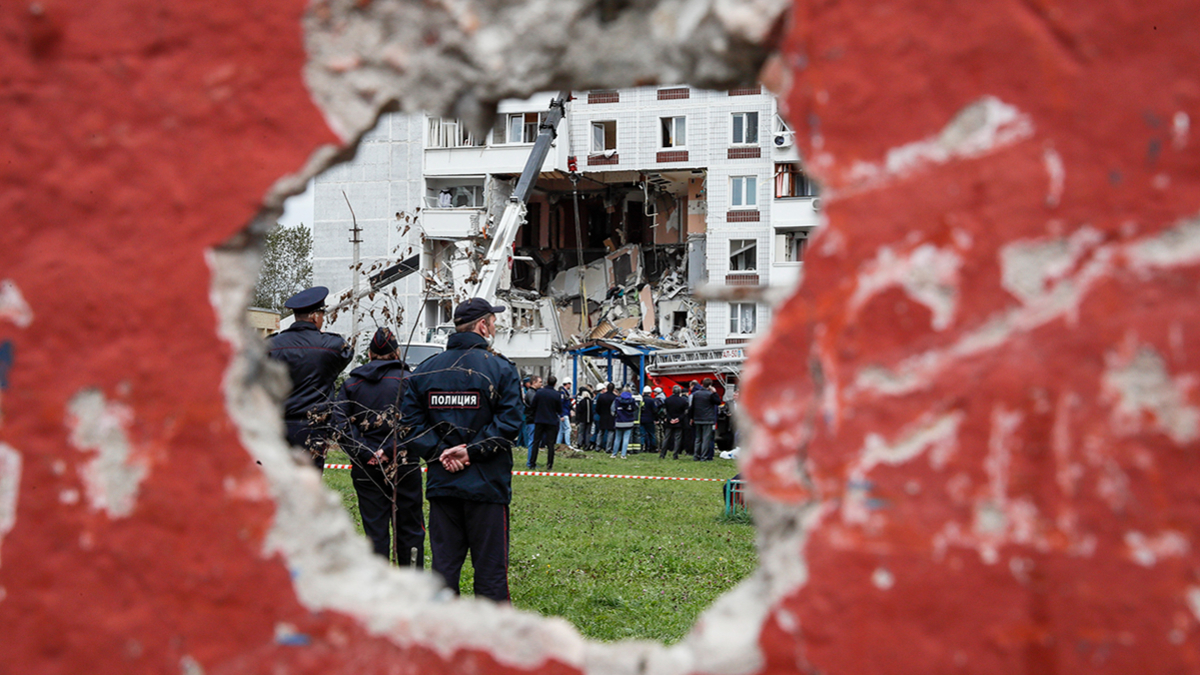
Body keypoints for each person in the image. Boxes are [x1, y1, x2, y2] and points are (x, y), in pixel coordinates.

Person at [400, 298, 523, 603]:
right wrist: (472, 452)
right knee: (491, 571)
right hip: (487, 485)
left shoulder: (424, 371)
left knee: (444, 569)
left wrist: (441, 452)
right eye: (492, 322)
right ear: (483, 325)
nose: (494, 326)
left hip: (443, 485)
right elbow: (510, 423)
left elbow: (409, 425)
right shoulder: (500, 369)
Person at [333, 327, 423, 566]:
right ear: (397, 353)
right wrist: (393, 449)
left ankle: (378, 589)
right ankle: (412, 586)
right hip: (404, 464)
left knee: (375, 532)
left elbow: (340, 424)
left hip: (365, 468)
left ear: (370, 356)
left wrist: (365, 451)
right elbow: (418, 424)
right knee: (410, 529)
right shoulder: (410, 382)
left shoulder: (352, 384)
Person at [266, 286, 353, 472]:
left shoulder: (271, 345)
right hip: (313, 429)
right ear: (314, 316)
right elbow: (347, 353)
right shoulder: (331, 346)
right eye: (322, 314)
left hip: (276, 427)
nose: (323, 319)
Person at [530, 375, 562, 471]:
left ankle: (532, 462)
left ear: (546, 382)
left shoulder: (539, 393)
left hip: (539, 420)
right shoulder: (557, 394)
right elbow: (559, 409)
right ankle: (549, 464)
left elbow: (533, 405)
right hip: (551, 421)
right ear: (555, 383)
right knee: (550, 444)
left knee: (536, 442)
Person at [690, 378, 722, 461]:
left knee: (698, 438)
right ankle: (703, 457)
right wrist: (714, 392)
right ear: (710, 385)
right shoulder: (710, 394)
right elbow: (718, 402)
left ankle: (696, 456)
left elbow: (692, 407)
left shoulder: (696, 394)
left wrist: (691, 417)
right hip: (708, 419)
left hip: (697, 418)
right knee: (706, 439)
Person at [661, 384, 690, 459]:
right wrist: (679, 419)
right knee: (678, 438)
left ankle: (662, 454)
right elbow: (685, 412)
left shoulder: (667, 400)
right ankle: (675, 454)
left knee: (666, 438)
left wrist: (670, 418)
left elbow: (665, 411)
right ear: (680, 392)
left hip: (669, 421)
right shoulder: (683, 401)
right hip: (679, 422)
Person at [611, 386, 638, 459]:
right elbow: (635, 408)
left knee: (617, 438)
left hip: (619, 420)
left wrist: (616, 416)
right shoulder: (632, 400)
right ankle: (623, 454)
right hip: (629, 420)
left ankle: (614, 454)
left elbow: (613, 409)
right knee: (626, 438)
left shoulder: (617, 400)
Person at [595, 382, 618, 455]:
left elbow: (597, 408)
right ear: (613, 389)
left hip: (602, 416)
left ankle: (598, 447)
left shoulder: (601, 396)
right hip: (611, 417)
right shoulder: (615, 397)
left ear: (607, 388)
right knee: (610, 432)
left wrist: (600, 413)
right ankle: (608, 448)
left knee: (601, 432)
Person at [521, 376, 539, 451]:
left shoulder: (530, 391)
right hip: (527, 414)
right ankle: (525, 444)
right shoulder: (527, 392)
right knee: (527, 432)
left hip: (527, 414)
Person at [639, 385, 659, 456]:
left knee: (642, 434)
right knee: (651, 434)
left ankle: (642, 447)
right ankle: (652, 448)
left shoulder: (641, 400)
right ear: (650, 393)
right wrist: (656, 419)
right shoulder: (652, 400)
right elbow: (655, 411)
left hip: (641, 419)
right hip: (650, 420)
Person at [574, 386, 594, 451]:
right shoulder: (591, 402)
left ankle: (579, 444)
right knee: (588, 432)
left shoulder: (581, 402)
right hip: (590, 419)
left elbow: (579, 411)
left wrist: (577, 419)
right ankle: (587, 444)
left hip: (582, 419)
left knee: (581, 432)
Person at [556, 380, 573, 448]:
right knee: (568, 429)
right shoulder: (563, 393)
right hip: (564, 413)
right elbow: (561, 404)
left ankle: (558, 444)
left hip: (564, 413)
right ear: (567, 384)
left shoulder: (563, 392)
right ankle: (568, 444)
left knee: (561, 430)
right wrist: (562, 415)